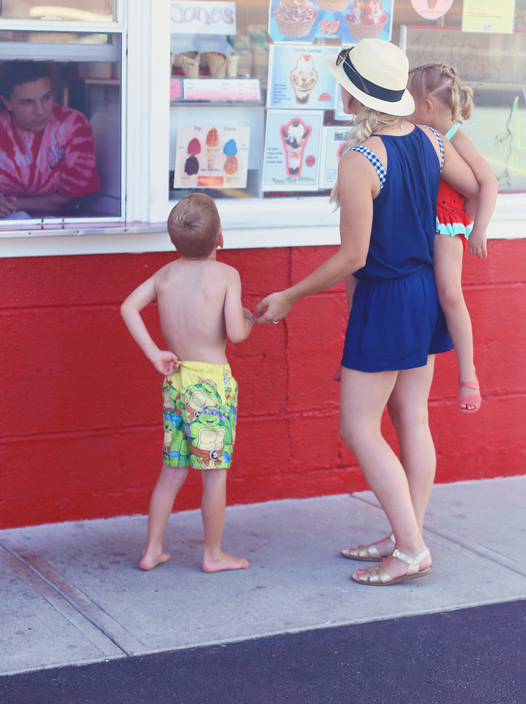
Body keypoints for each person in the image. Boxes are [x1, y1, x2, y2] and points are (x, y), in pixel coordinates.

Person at [255, 38, 478, 587]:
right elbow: (475, 188)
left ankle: (409, 547)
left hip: (387, 297)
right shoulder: (430, 138)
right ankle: (409, 534)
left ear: (357, 97)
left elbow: (354, 257)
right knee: (411, 420)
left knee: (357, 427)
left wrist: (288, 296)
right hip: (424, 292)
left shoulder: (360, 159)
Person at [120, 192, 254, 573]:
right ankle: (213, 554)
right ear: (220, 238)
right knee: (214, 474)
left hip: (176, 380)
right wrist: (247, 318)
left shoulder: (165, 275)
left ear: (174, 240)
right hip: (211, 386)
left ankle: (152, 550)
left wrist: (154, 353)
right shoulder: (227, 275)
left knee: (173, 469)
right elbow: (236, 334)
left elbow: (128, 306)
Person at [408, 63, 497, 413]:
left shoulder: (455, 136)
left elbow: (488, 182)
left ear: (427, 107)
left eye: (409, 102)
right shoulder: (421, 135)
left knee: (450, 294)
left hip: (446, 225)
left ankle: (468, 374)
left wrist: (476, 227)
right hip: (425, 223)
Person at [0, 59, 101, 218]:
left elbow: (71, 198)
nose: (40, 111)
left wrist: (11, 204)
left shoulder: (73, 125)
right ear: (7, 102)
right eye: (27, 102)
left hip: (58, 231)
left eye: (46, 98)